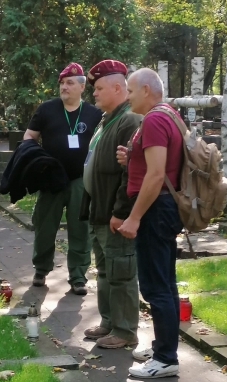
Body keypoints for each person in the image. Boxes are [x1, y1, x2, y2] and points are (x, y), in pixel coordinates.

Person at [117, 68, 183, 378]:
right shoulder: (169, 114)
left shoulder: (155, 120)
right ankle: (163, 347)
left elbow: (156, 175)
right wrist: (131, 158)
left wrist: (134, 217)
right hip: (164, 208)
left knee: (156, 287)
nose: (127, 97)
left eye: (130, 91)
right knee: (165, 283)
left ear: (146, 90)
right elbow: (158, 165)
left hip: (155, 210)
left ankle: (166, 359)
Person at [24, 63, 102, 295]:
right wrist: (32, 156)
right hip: (51, 179)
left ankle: (78, 276)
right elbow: (30, 135)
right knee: (45, 227)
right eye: (62, 83)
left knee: (80, 229)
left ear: (82, 86)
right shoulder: (46, 109)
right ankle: (41, 269)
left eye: (69, 83)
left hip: (81, 180)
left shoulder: (94, 113)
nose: (64, 87)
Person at [80, 60, 142, 349]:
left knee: (121, 272)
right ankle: (109, 322)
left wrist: (120, 212)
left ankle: (125, 330)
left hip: (115, 215)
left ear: (118, 88)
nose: (94, 93)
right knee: (105, 272)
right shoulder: (107, 120)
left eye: (99, 88)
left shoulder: (129, 121)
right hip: (100, 211)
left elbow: (130, 173)